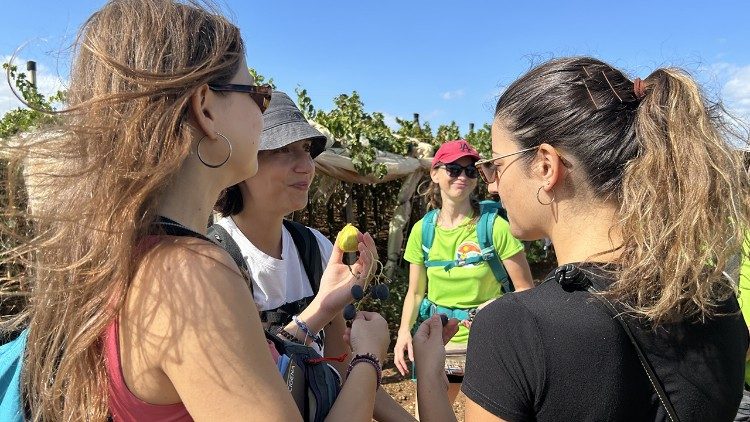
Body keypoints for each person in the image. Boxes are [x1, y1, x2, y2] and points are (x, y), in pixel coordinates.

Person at [0, 1, 389, 421]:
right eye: (256, 94)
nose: (263, 110)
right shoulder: (191, 274)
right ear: (205, 109)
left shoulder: (120, 253)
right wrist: (367, 359)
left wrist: (322, 309)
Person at [412, 57, 750, 421]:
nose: (492, 182)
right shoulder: (718, 303)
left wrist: (429, 375)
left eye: (496, 163)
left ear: (545, 165)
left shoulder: (514, 330)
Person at [211, 90, 416, 421]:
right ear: (246, 161)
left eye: (306, 150)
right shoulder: (217, 261)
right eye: (284, 150)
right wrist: (359, 346)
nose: (306, 165)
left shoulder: (314, 248)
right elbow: (246, 389)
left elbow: (340, 362)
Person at [393, 139, 534, 413]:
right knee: (431, 416)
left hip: (487, 341)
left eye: (471, 171)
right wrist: (402, 332)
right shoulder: (423, 231)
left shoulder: (495, 228)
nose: (463, 177)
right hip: (439, 342)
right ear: (435, 173)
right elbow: (415, 292)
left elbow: (525, 290)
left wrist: (495, 306)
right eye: (453, 169)